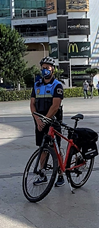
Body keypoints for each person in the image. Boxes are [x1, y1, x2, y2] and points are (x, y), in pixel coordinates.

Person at [30, 57, 65, 186]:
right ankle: (43, 174)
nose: (45, 70)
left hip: (53, 122)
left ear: (53, 69)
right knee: (42, 148)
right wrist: (38, 119)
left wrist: (45, 120)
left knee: (56, 149)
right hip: (39, 122)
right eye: (43, 68)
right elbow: (32, 104)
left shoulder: (57, 85)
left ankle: (61, 175)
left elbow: (55, 106)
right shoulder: (37, 85)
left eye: (47, 68)